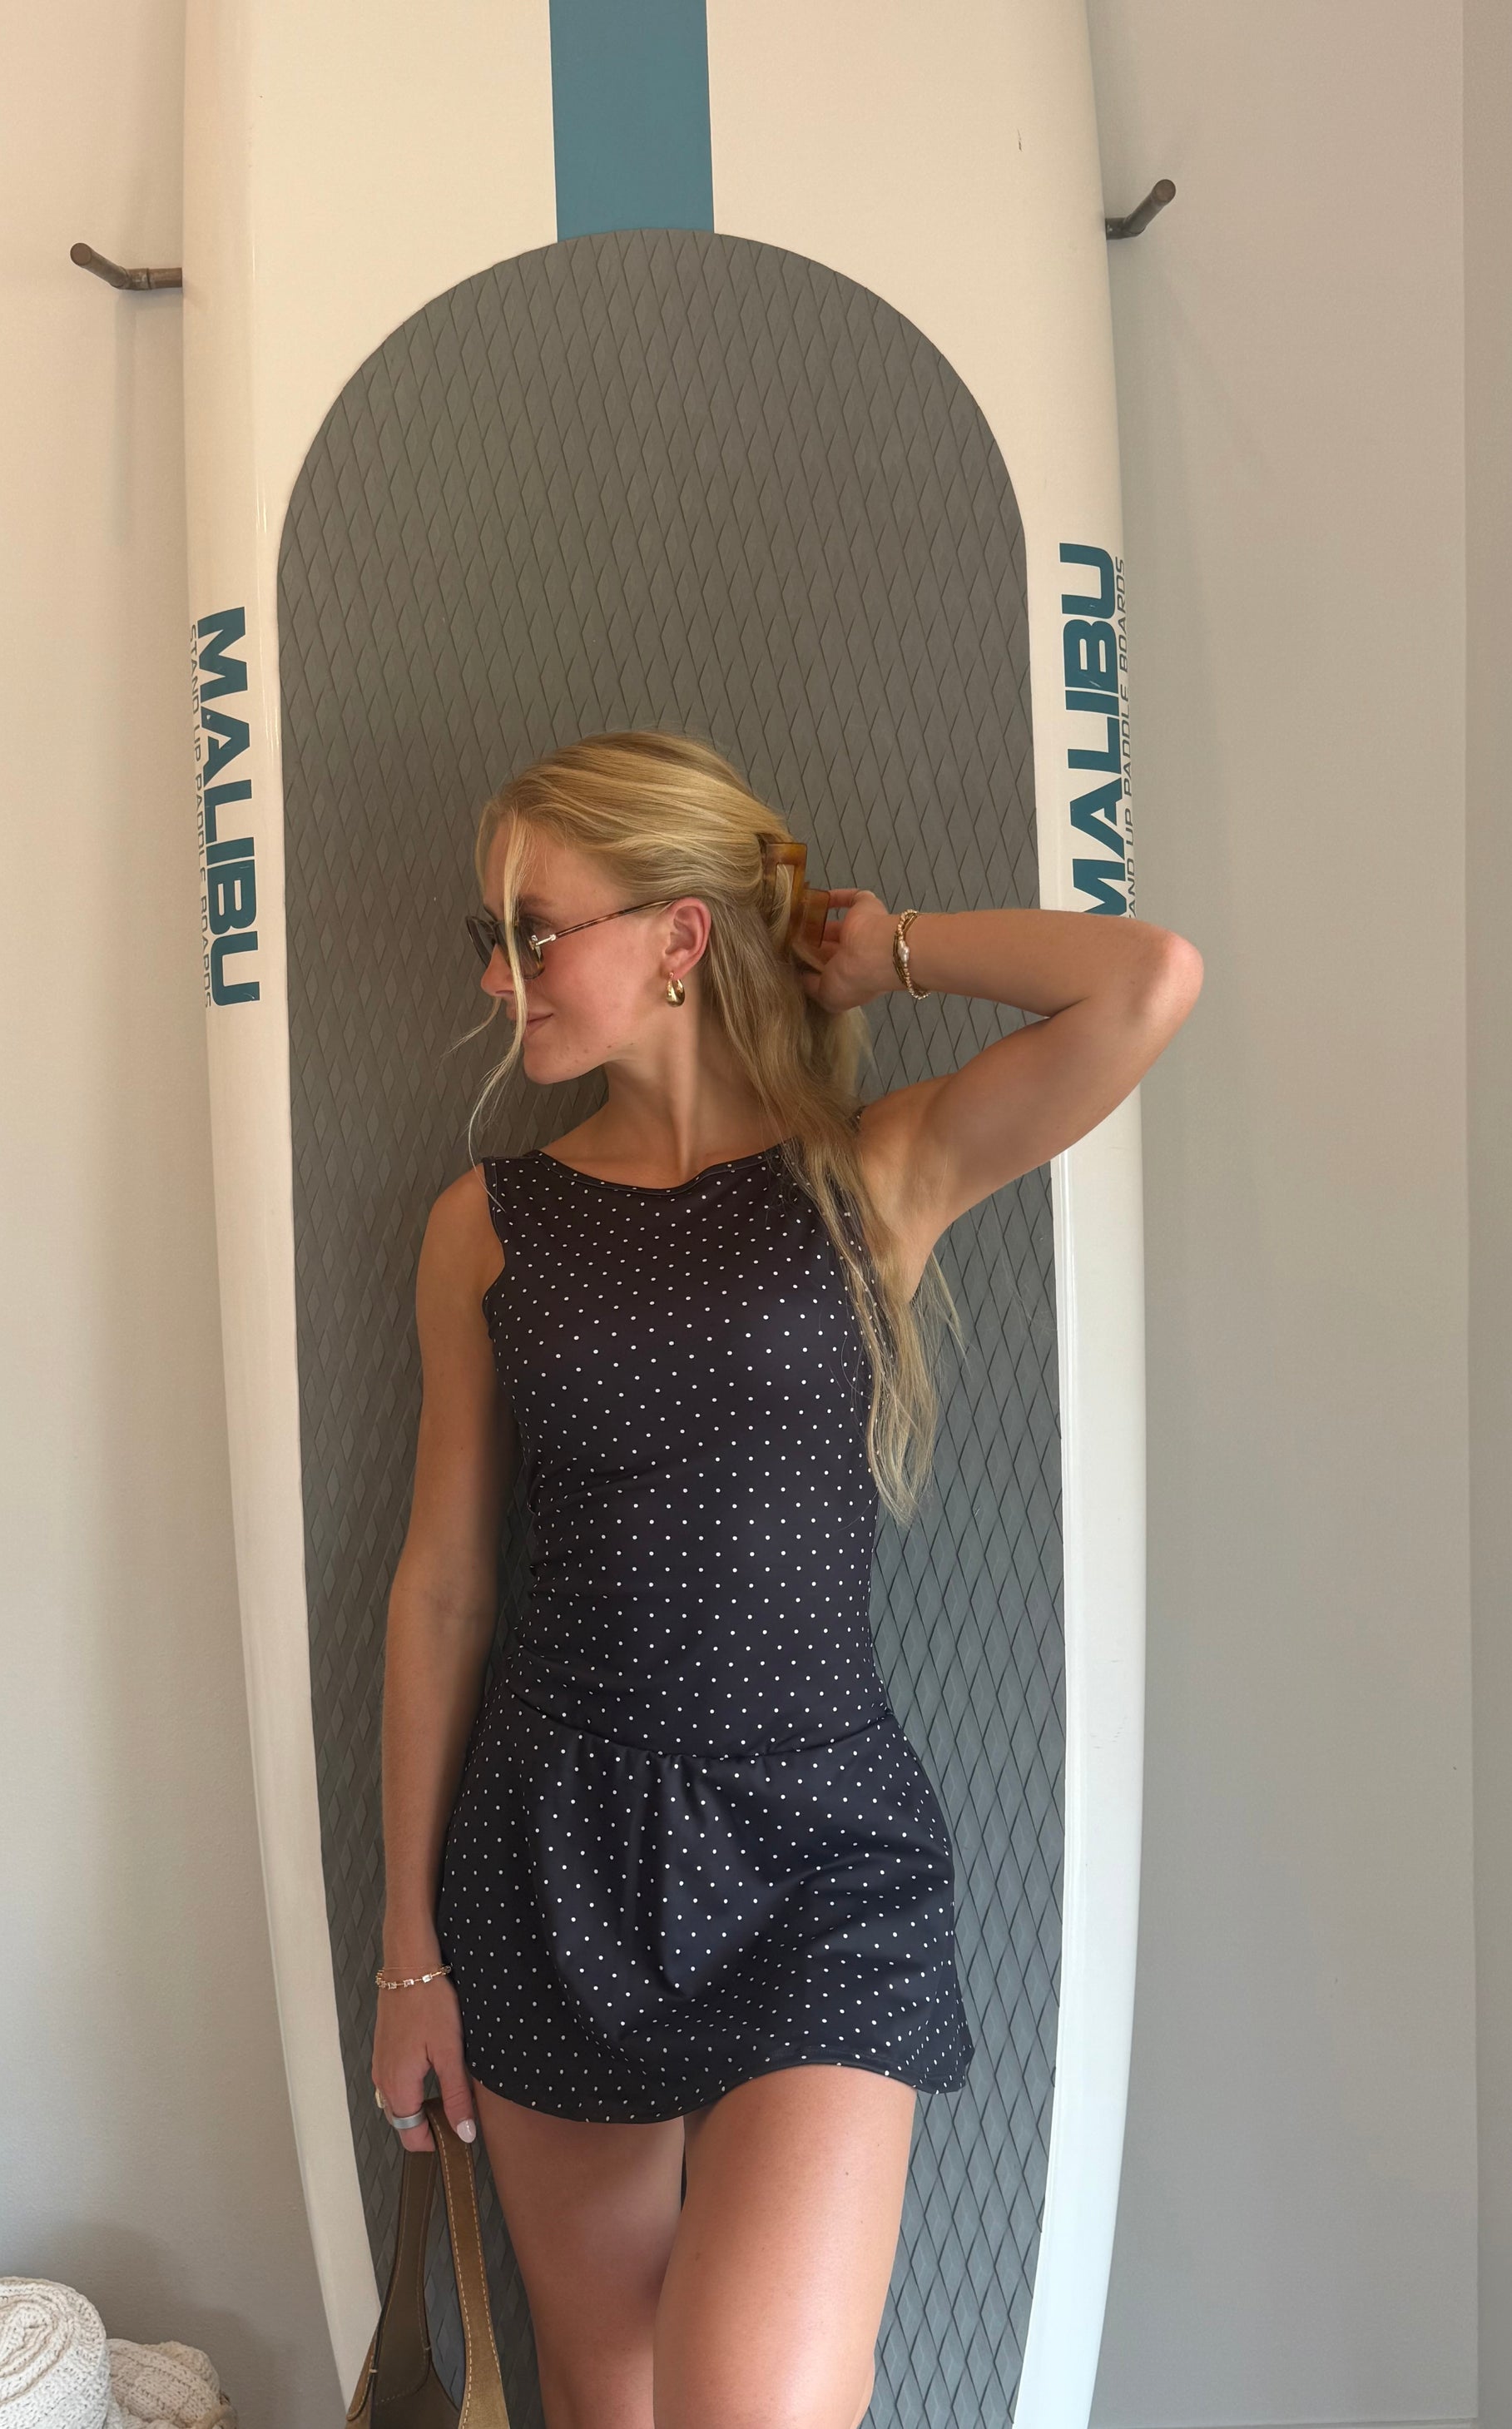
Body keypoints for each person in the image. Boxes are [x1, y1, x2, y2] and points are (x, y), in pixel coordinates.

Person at [371, 730, 1201, 2429]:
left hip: (818, 1854)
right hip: (557, 1846)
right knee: (605, 2395)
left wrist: (887, 950)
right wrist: (407, 1954)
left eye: (535, 932)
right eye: (490, 936)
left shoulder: (867, 1173)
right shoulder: (488, 1223)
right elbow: (444, 1585)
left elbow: (1143, 982)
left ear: (678, 936)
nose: (497, 976)